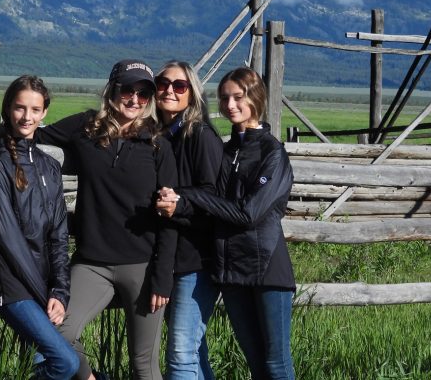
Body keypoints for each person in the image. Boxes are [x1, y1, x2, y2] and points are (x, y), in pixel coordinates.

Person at [37, 59, 178, 380]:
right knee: (56, 334)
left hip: (142, 266)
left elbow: (170, 219)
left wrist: (162, 276)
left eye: (144, 94)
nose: (135, 99)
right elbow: (33, 133)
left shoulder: (158, 145)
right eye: (128, 89)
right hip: (92, 263)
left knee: (144, 363)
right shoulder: (85, 128)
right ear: (112, 90)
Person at [157, 67, 295, 380]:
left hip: (268, 269)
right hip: (231, 271)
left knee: (276, 363)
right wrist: (178, 204)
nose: (230, 105)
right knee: (255, 361)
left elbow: (248, 214)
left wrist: (189, 194)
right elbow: (213, 207)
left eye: (238, 97)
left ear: (255, 98)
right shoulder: (228, 150)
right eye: (224, 98)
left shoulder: (273, 153)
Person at [0, 75, 79, 380]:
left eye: (34, 109)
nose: (27, 117)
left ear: (44, 114)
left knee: (44, 363)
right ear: (8, 110)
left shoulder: (47, 166)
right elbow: (7, 237)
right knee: (64, 363)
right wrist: (44, 296)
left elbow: (58, 236)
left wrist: (60, 292)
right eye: (19, 108)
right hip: (10, 283)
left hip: (41, 283)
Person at [153, 61, 223, 380]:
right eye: (163, 83)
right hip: (173, 259)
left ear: (191, 95)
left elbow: (213, 196)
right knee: (194, 352)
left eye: (179, 86)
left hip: (196, 260)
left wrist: (176, 203)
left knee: (181, 354)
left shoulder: (200, 136)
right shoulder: (160, 136)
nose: (169, 90)